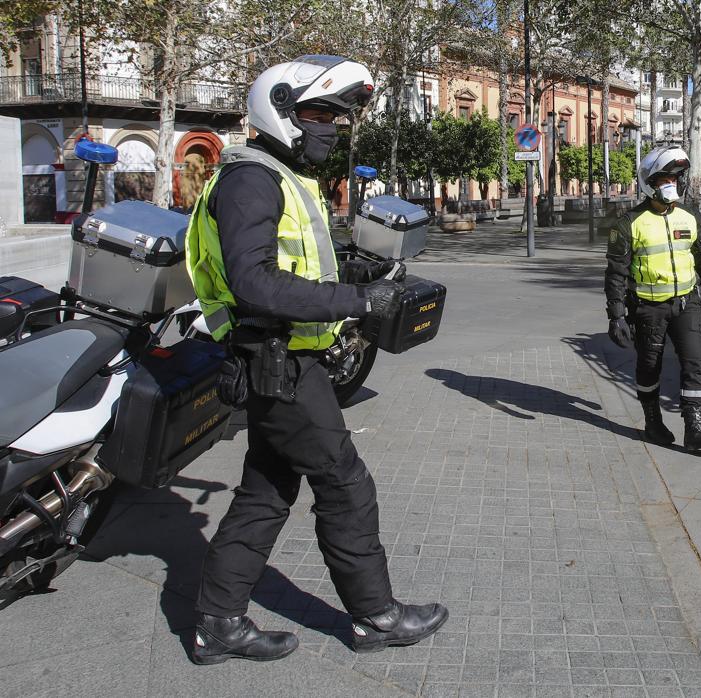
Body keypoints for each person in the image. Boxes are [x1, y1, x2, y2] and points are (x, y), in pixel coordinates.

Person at [184, 55, 447, 665]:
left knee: (266, 492)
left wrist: (361, 273)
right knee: (345, 484)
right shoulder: (253, 180)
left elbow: (298, 270)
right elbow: (254, 282)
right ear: (278, 110)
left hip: (283, 358)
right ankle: (375, 617)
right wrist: (359, 300)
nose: (331, 126)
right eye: (319, 113)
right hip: (277, 362)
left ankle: (217, 623)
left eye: (337, 116)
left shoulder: (280, 176)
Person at [604, 145, 701, 450]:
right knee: (649, 366)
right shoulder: (628, 224)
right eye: (665, 179)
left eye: (677, 177)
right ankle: (653, 422)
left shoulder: (691, 216)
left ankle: (695, 427)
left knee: (695, 364)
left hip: (687, 303)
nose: (673, 184)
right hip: (648, 309)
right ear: (650, 183)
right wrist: (616, 315)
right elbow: (616, 273)